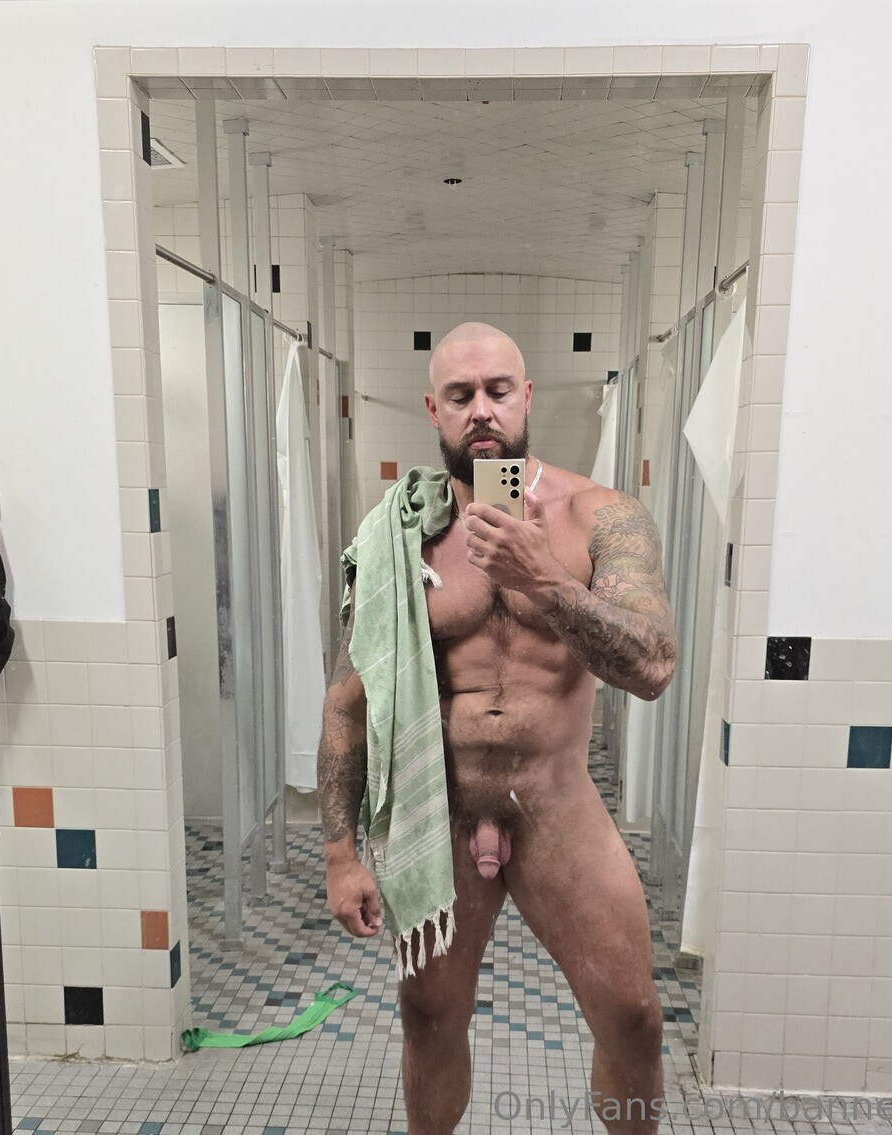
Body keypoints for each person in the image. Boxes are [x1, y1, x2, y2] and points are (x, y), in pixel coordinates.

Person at [317, 322, 678, 1135]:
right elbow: (349, 699)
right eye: (460, 394)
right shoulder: (398, 535)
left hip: (557, 805)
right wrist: (340, 854)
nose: (481, 409)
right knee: (429, 1018)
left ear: (526, 398)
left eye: (497, 390)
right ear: (434, 411)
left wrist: (542, 578)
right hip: (440, 814)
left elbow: (654, 665)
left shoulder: (602, 516)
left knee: (635, 1019)